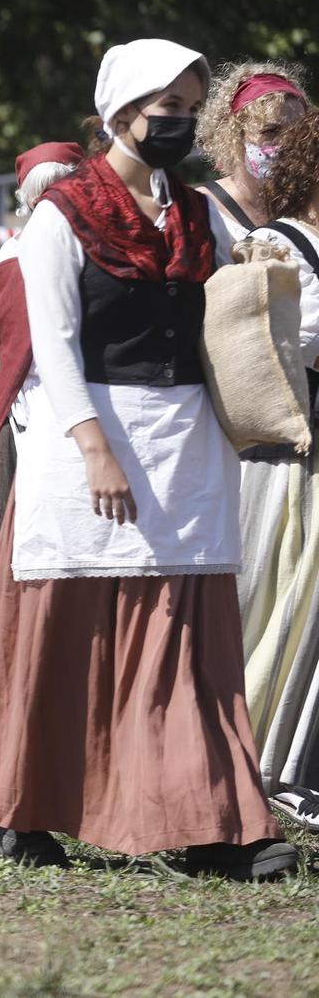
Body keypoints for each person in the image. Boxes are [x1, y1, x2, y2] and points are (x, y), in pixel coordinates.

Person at [0, 38, 295, 879]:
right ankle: (24, 810)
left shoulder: (199, 213)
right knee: (61, 635)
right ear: (119, 113)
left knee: (187, 643)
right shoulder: (60, 215)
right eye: (166, 110)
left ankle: (216, 825)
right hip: (87, 444)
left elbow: (238, 297)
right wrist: (93, 448)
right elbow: (54, 346)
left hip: (184, 447)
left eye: (190, 110)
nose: (179, 124)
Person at [0, 141, 81, 730]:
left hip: (71, 415)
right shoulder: (18, 255)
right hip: (36, 419)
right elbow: (23, 346)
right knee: (9, 560)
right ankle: (1, 696)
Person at [234, 88, 319, 829]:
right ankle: (268, 762)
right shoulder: (283, 243)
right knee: (282, 613)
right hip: (293, 458)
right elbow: (290, 344)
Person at [196, 60, 311, 238]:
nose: (289, 142)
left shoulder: (311, 204)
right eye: (271, 131)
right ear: (234, 137)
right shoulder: (202, 209)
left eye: (298, 130)